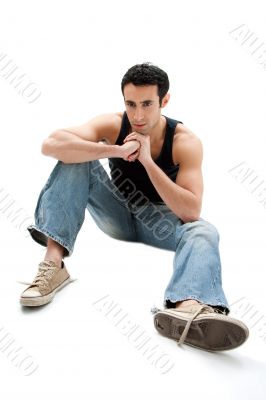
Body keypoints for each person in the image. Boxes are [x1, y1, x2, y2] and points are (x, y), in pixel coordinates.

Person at [20, 62, 249, 351]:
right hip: (116, 214)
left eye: (147, 104)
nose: (138, 115)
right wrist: (114, 150)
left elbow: (190, 211)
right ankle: (53, 266)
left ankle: (187, 305)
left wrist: (147, 160)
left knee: (204, 230)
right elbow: (51, 143)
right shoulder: (113, 125)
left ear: (164, 101)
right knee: (74, 157)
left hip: (159, 221)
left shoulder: (185, 141)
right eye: (130, 104)